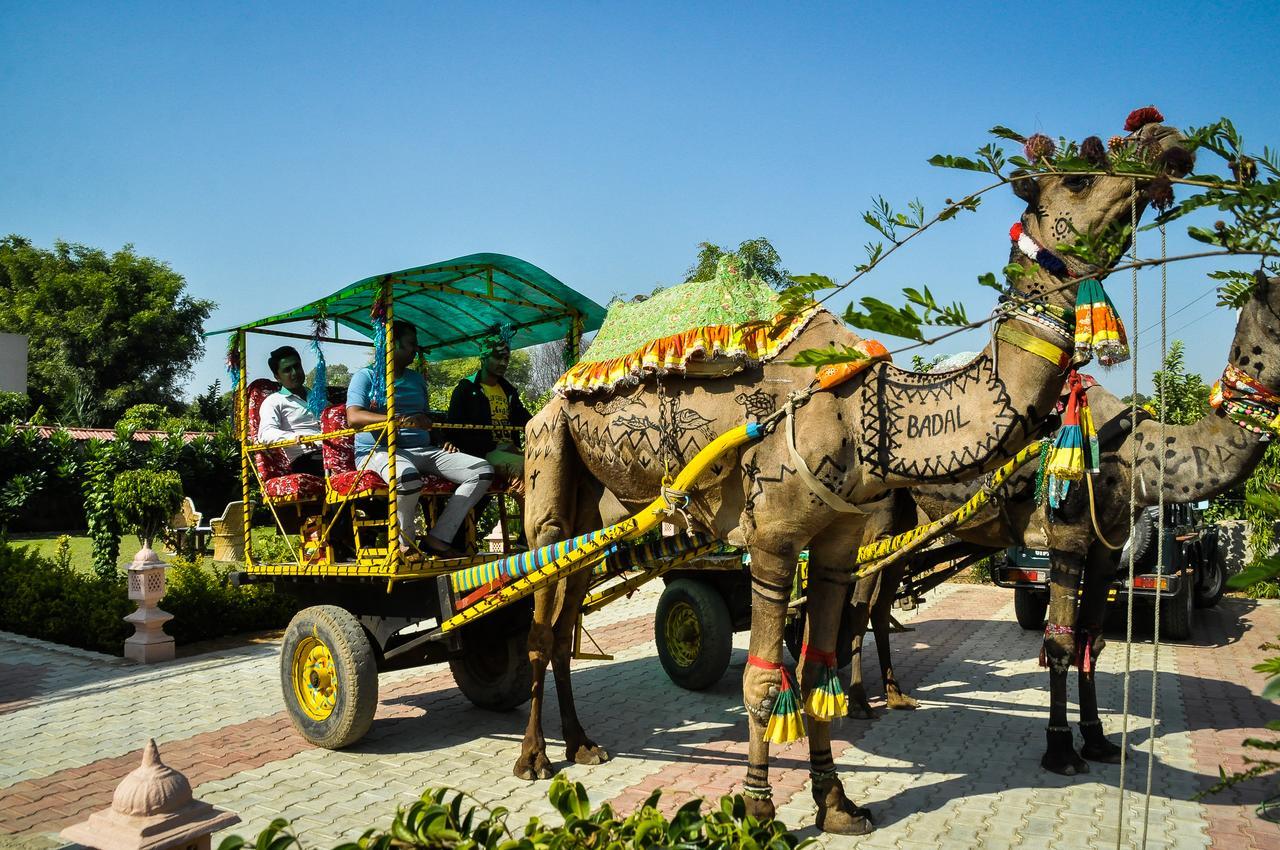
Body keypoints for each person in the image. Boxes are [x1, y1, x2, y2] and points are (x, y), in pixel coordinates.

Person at [346, 320, 493, 557]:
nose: (416, 349)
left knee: (482, 471)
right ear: (392, 345)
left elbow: (424, 417)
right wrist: (400, 419)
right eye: (411, 344)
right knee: (407, 477)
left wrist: (440, 437)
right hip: (379, 450)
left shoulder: (416, 380)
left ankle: (438, 538)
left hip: (423, 449)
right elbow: (353, 417)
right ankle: (405, 543)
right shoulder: (366, 376)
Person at [447, 330, 532, 494]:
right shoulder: (466, 388)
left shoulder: (508, 391)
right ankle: (530, 521)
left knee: (547, 465)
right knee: (524, 470)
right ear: (483, 358)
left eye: (506, 358)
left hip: (510, 450)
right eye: (497, 357)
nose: (503, 363)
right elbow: (454, 427)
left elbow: (527, 419)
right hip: (483, 452)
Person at [257, 345, 324, 478]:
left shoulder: (317, 397)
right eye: (287, 370)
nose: (294, 373)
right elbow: (265, 434)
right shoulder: (273, 401)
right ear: (277, 377)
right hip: (306, 458)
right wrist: (294, 437)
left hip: (331, 451)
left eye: (297, 366)